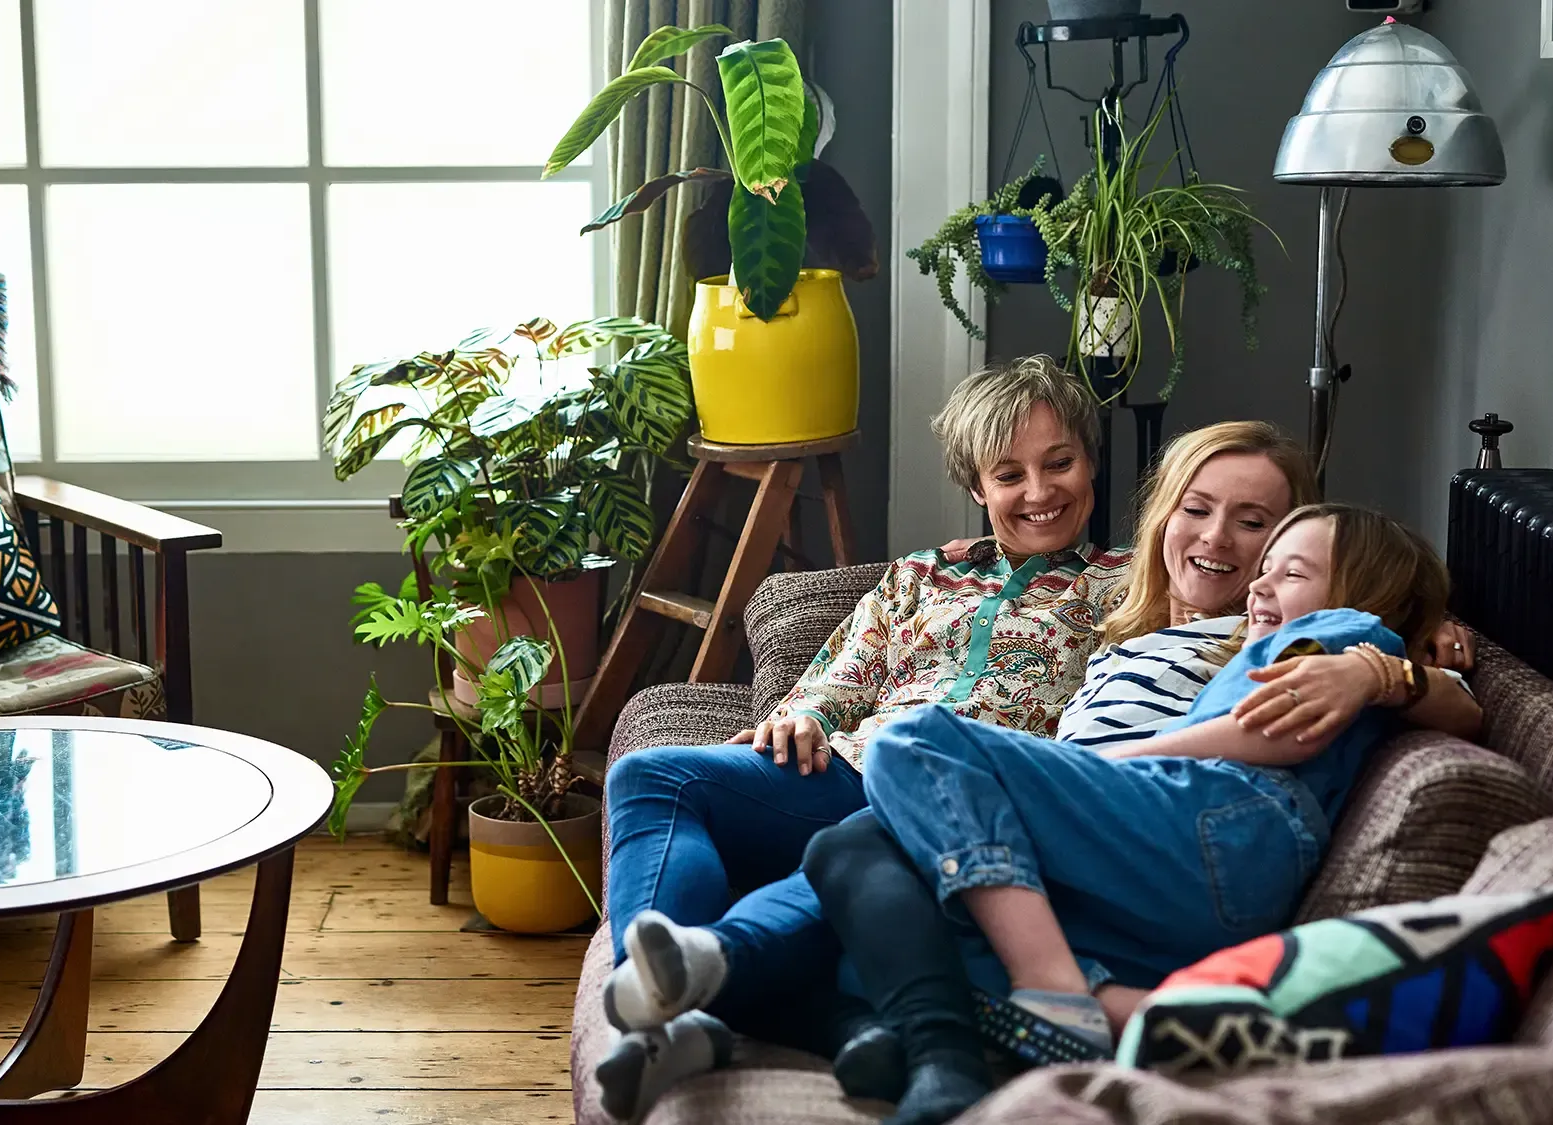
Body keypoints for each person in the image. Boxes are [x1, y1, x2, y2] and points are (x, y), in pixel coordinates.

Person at [592, 408, 1326, 1120]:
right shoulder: (921, 576)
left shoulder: (1131, 585)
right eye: (1010, 473)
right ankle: (656, 1014)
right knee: (650, 773)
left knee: (867, 852)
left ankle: (844, 1025)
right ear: (978, 487)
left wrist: (1418, 647)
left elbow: (1327, 592)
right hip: (852, 767)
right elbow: (836, 676)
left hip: (979, 801)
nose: (1039, 492)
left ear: (1092, 466)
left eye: (1060, 463)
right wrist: (803, 715)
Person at [806, 504, 1476, 1125]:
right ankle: (1140, 1015)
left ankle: (1054, 986)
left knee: (916, 739)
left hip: (1222, 818)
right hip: (1209, 886)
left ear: (1365, 589)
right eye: (1264, 567)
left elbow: (1283, 730)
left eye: (1291, 570)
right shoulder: (1311, 644)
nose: (1261, 585)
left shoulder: (1345, 630)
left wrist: (1123, 755)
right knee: (889, 910)